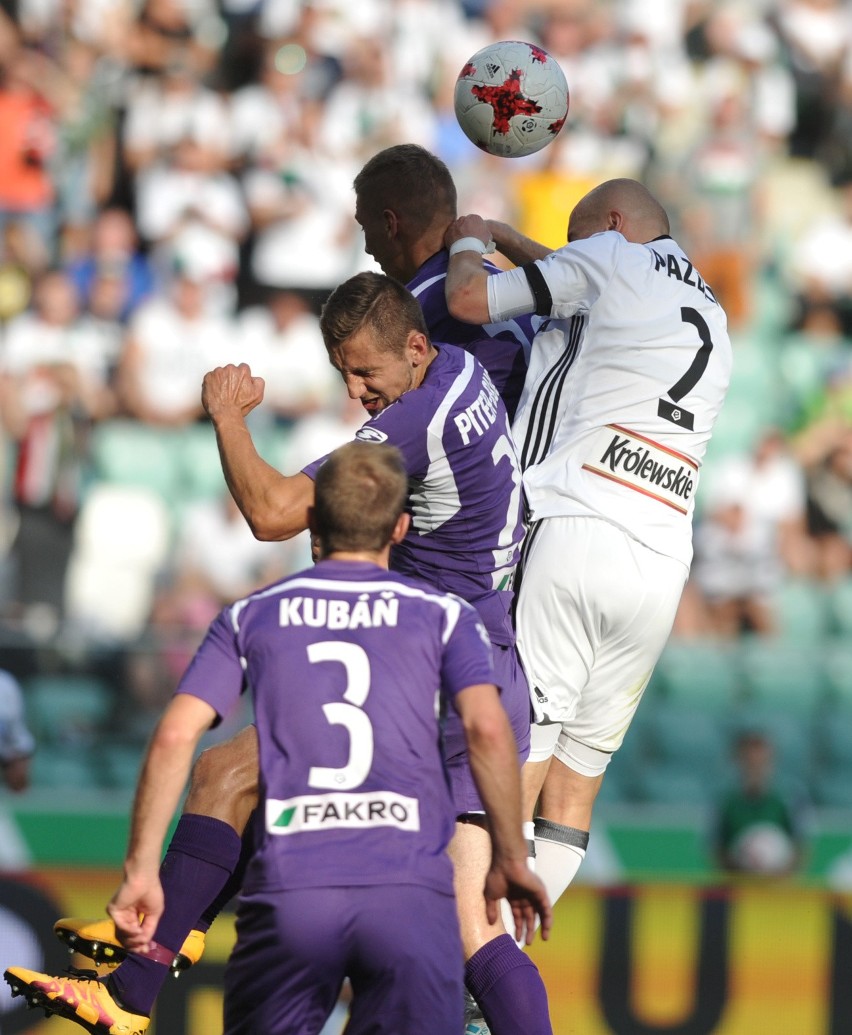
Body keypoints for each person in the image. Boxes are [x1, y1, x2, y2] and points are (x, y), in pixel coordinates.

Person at [9, 272, 552, 1035]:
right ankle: (159, 950)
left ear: (415, 347)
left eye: (367, 371)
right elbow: (453, 268)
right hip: (470, 660)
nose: (358, 389)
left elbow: (270, 513)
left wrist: (228, 417)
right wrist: (477, 239)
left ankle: (152, 958)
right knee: (458, 920)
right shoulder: (460, 366)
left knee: (231, 773)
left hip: (440, 674)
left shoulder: (413, 422)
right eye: (343, 373)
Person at [443, 177, 733, 945]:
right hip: (662, 559)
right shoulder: (712, 308)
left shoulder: (602, 258)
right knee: (575, 791)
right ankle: (500, 966)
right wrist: (517, 237)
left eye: (580, 240)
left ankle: (476, 961)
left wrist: (473, 238)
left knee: (518, 762)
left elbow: (472, 300)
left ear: (609, 225)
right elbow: (593, 282)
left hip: (576, 521)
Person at [352, 142, 539, 420]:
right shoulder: (512, 284)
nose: (367, 247)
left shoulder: (404, 315)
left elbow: (400, 431)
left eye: (365, 227)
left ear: (390, 224)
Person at [714, 727, 810, 877]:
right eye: (749, 761)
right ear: (739, 762)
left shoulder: (790, 796)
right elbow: (716, 847)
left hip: (778, 890)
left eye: (761, 761)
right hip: (739, 886)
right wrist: (740, 869)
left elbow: (801, 845)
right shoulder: (725, 800)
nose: (755, 767)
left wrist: (780, 874)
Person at [0, 669, 35, 793]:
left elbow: (15, 729)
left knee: (19, 788)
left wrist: (18, 755)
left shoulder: (4, 682)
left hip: (8, 749)